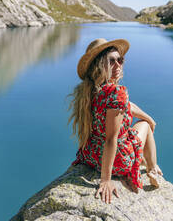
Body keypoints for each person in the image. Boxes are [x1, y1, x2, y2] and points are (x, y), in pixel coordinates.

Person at [67, 38, 163, 204]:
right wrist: (106, 179)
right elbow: (112, 138)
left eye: (120, 60)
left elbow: (125, 106)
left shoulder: (90, 89)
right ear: (99, 65)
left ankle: (145, 161)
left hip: (91, 154)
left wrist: (149, 117)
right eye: (111, 61)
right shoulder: (116, 93)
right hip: (117, 160)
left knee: (145, 122)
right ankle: (152, 168)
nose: (118, 65)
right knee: (144, 127)